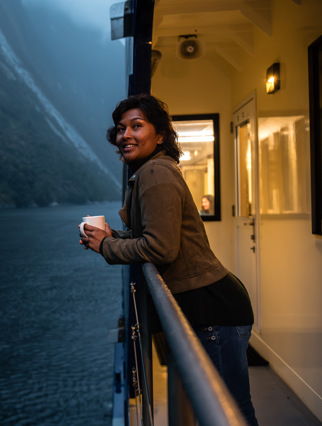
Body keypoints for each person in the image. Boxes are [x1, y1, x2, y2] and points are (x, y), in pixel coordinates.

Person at [79, 94, 258, 425]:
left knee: (229, 411)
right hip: (211, 304)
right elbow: (150, 236)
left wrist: (107, 247)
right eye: (121, 129)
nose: (126, 135)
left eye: (137, 126)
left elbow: (160, 249)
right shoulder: (151, 170)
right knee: (230, 407)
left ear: (159, 135)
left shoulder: (155, 174)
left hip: (212, 310)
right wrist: (110, 236)